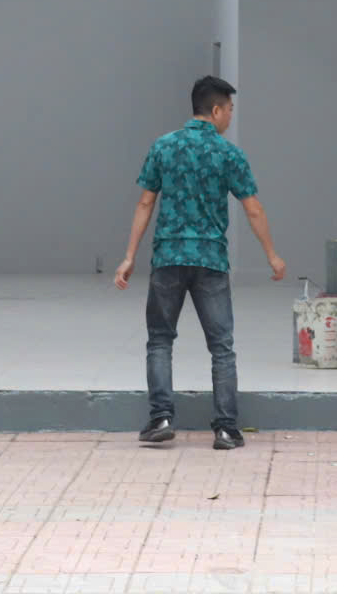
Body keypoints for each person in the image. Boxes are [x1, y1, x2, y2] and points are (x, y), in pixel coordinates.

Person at [114, 75, 287, 450]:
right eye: (230, 110)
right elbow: (253, 209)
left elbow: (145, 202)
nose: (231, 117)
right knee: (221, 346)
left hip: (168, 256)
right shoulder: (228, 154)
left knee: (160, 340)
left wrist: (129, 256)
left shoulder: (163, 146)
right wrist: (272, 255)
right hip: (210, 259)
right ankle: (225, 428)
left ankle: (161, 418)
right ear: (216, 110)